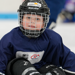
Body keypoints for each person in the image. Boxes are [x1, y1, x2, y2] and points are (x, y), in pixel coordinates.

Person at [0, 0, 75, 75]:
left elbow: (68, 58)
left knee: (57, 71)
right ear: (21, 20)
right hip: (18, 68)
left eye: (37, 19)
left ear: (44, 22)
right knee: (19, 64)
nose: (32, 22)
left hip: (43, 67)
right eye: (28, 18)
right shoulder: (9, 39)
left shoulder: (52, 38)